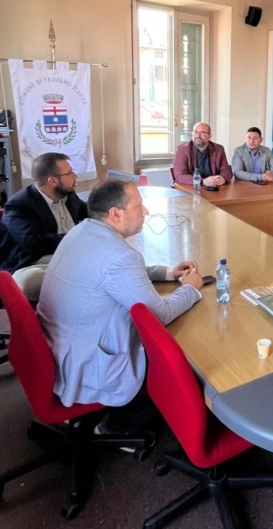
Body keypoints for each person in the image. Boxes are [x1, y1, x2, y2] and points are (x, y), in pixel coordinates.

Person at [37, 180, 204, 434]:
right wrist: (191, 289)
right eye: (139, 206)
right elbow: (159, 315)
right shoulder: (120, 256)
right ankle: (117, 425)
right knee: (178, 364)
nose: (146, 211)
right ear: (116, 214)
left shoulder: (82, 231)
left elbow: (116, 272)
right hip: (85, 365)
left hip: (58, 347)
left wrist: (169, 272)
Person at [3, 152, 88, 302]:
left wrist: (107, 210)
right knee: (29, 282)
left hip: (69, 257)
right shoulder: (19, 205)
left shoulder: (68, 195)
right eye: (70, 173)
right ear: (53, 180)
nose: (75, 176)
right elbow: (35, 243)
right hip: (34, 264)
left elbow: (87, 211)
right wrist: (75, 238)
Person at [173, 122, 232, 187]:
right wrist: (203, 181)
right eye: (196, 132)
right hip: (191, 188)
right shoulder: (183, 149)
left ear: (209, 136)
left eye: (202, 133)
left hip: (213, 188)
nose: (198, 136)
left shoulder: (218, 149)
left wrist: (223, 179)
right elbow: (179, 176)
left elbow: (226, 170)